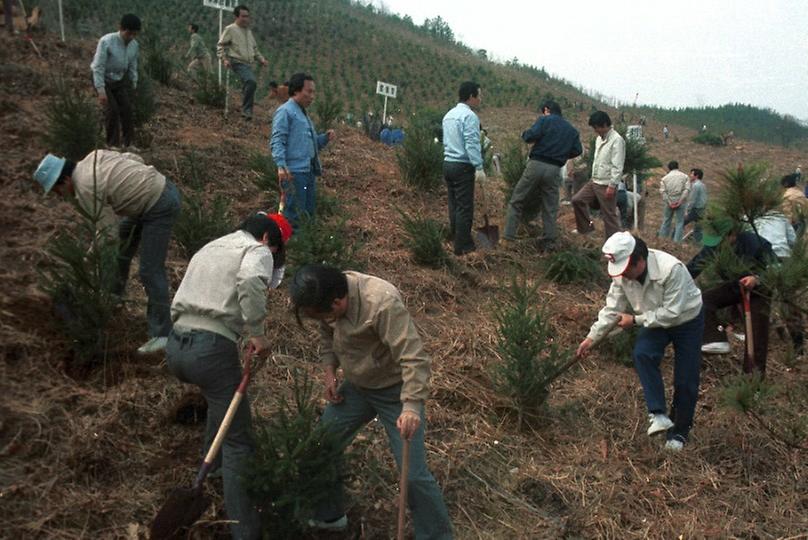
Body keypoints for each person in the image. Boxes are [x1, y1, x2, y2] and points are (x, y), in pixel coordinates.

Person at [290, 265, 454, 538]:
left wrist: (412, 406)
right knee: (320, 447)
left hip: (395, 392)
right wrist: (330, 370)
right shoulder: (324, 295)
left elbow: (414, 357)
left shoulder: (381, 302)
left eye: (324, 314)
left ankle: (437, 535)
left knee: (413, 475)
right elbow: (327, 334)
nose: (323, 319)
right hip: (356, 388)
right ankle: (329, 518)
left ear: (338, 302)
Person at [167, 212, 291, 540]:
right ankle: (245, 531)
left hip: (177, 345)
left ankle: (216, 470)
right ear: (268, 239)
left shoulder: (212, 246)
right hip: (208, 351)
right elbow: (251, 281)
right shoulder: (258, 251)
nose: (273, 255)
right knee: (239, 440)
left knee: (220, 402)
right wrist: (257, 333)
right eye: (276, 249)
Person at [34, 150, 181, 354]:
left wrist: (85, 261)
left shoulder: (84, 188)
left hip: (159, 204)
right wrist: (132, 185)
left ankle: (162, 334)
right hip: (148, 195)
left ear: (66, 179)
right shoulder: (92, 156)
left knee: (150, 270)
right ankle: (113, 299)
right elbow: (133, 158)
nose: (61, 196)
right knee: (122, 251)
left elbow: (107, 235)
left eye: (58, 191)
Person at [576, 232, 704, 451]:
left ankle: (680, 432)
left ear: (641, 261)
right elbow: (613, 309)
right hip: (652, 319)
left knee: (685, 380)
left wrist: (635, 320)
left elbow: (672, 313)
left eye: (627, 271)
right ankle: (658, 414)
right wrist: (592, 337)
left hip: (686, 320)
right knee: (643, 353)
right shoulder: (622, 275)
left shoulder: (671, 269)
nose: (623, 276)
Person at [687, 219, 776, 375]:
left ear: (733, 234)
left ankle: (752, 381)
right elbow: (694, 266)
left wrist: (757, 279)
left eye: (721, 240)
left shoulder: (756, 243)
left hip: (760, 290)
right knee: (703, 301)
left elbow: (775, 269)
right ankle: (716, 339)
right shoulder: (713, 246)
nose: (717, 246)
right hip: (735, 285)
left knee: (756, 338)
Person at [502, 99, 582, 251]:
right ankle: (549, 243)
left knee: (517, 200)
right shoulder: (571, 130)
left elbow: (530, 136)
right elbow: (577, 150)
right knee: (550, 207)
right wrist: (562, 152)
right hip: (554, 170)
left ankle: (508, 238)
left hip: (536, 165)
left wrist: (524, 134)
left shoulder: (545, 120)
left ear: (546, 110)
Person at [270, 72, 335, 229]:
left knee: (307, 214)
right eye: (309, 91)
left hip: (308, 172)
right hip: (294, 173)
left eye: (313, 92)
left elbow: (310, 146)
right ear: (297, 90)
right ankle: (292, 248)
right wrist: (281, 164)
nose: (312, 96)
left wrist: (325, 138)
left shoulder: (303, 115)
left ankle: (304, 248)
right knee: (293, 216)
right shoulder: (285, 112)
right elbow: (277, 140)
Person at [442, 81, 484, 256]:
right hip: (462, 166)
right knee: (464, 207)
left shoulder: (448, 115)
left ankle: (455, 237)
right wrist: (479, 166)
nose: (480, 99)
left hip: (448, 163)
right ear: (471, 96)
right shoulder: (470, 116)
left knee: (454, 204)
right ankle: (463, 246)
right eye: (479, 95)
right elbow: (472, 143)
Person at [571, 111, 625, 239]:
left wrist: (612, 185)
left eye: (597, 127)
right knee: (577, 200)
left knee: (609, 215)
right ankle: (586, 229)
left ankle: (613, 244)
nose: (595, 130)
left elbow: (617, 165)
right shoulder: (598, 139)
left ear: (605, 125)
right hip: (594, 180)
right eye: (594, 128)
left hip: (606, 183)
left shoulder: (617, 140)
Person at [91, 13, 141, 150]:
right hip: (104, 79)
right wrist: (101, 91)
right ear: (121, 28)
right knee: (112, 110)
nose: (130, 37)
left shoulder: (134, 46)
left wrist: (134, 84)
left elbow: (133, 66)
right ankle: (112, 144)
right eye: (128, 33)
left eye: (134, 34)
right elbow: (98, 67)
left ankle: (128, 143)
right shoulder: (106, 41)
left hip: (118, 80)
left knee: (127, 109)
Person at [217, 5, 268, 120]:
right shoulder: (230, 29)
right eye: (243, 16)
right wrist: (224, 59)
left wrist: (262, 60)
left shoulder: (248, 32)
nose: (246, 19)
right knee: (251, 82)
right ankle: (246, 112)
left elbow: (255, 49)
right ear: (236, 16)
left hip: (248, 64)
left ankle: (245, 104)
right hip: (237, 62)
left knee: (250, 83)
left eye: (247, 16)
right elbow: (220, 45)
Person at [657, 161, 691, 243]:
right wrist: (680, 201)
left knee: (666, 220)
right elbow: (687, 190)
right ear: (677, 167)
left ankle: (662, 240)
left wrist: (669, 202)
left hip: (669, 201)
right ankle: (677, 242)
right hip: (681, 201)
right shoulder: (685, 176)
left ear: (669, 168)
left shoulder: (665, 178)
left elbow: (663, 191)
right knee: (679, 222)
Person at [683, 168, 707, 242]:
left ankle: (674, 240)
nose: (690, 175)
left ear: (696, 176)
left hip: (695, 210)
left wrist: (687, 211)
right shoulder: (703, 185)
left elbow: (692, 200)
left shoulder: (696, 186)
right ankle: (697, 243)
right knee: (698, 228)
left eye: (692, 174)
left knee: (680, 223)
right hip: (702, 210)